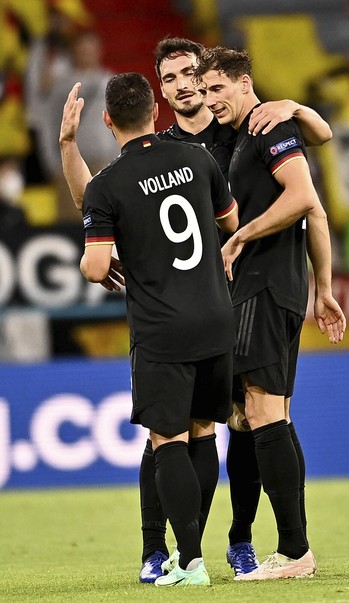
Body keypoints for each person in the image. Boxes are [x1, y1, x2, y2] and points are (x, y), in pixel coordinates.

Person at [59, 36, 334, 582]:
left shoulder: (241, 125)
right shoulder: (163, 148)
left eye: (195, 76)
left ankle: (239, 541)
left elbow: (309, 181)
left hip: (240, 290)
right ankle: (162, 549)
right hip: (205, 299)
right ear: (158, 94)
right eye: (173, 78)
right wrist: (71, 151)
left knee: (246, 418)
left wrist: (294, 107)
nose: (188, 87)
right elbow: (99, 201)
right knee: (193, 426)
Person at [79, 71, 240, 587]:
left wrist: (106, 258)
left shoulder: (106, 186)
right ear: (156, 112)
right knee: (204, 432)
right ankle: (191, 555)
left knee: (165, 439)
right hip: (216, 316)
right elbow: (230, 222)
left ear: (107, 121)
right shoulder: (199, 160)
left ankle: (189, 562)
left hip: (161, 328)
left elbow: (94, 264)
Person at [194, 46, 345, 581]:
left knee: (261, 412)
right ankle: (294, 547)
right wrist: (323, 288)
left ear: (242, 83)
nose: (210, 100)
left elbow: (304, 197)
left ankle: (294, 552)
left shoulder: (266, 128)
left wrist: (240, 235)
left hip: (264, 285)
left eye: (216, 89)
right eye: (204, 90)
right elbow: (318, 203)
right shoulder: (247, 135)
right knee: (265, 415)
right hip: (270, 287)